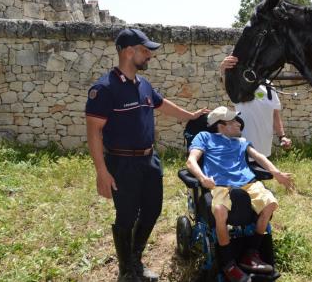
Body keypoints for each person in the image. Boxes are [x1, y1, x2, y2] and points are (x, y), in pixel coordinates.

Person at [85, 28, 209, 282]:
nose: (150, 55)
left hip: (149, 160)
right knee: (127, 216)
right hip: (121, 164)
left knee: (152, 210)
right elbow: (94, 132)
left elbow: (161, 104)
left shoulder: (143, 84)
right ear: (129, 52)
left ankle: (135, 259)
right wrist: (102, 171)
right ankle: (127, 271)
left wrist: (190, 115)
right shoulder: (104, 88)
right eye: (145, 50)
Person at [186, 106, 294, 282]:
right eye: (234, 121)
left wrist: (277, 173)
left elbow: (259, 157)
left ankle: (251, 253)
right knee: (220, 212)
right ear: (221, 125)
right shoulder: (205, 137)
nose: (239, 124)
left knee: (270, 204)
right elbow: (191, 161)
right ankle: (228, 264)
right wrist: (202, 178)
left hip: (248, 183)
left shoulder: (241, 141)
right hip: (220, 185)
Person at [220, 55, 292, 162]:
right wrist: (223, 71)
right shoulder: (238, 84)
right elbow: (227, 86)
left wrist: (282, 136)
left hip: (265, 149)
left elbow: (275, 114)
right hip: (244, 149)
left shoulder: (269, 85)